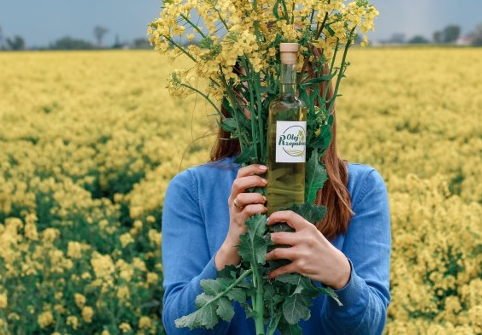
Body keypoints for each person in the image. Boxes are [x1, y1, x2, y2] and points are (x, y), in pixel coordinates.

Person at [161, 78, 392, 334]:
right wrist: (230, 251)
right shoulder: (192, 189)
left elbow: (370, 328)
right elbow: (178, 327)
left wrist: (343, 279)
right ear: (232, 94)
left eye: (290, 79)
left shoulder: (360, 187)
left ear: (317, 88)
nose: (271, 97)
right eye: (255, 81)